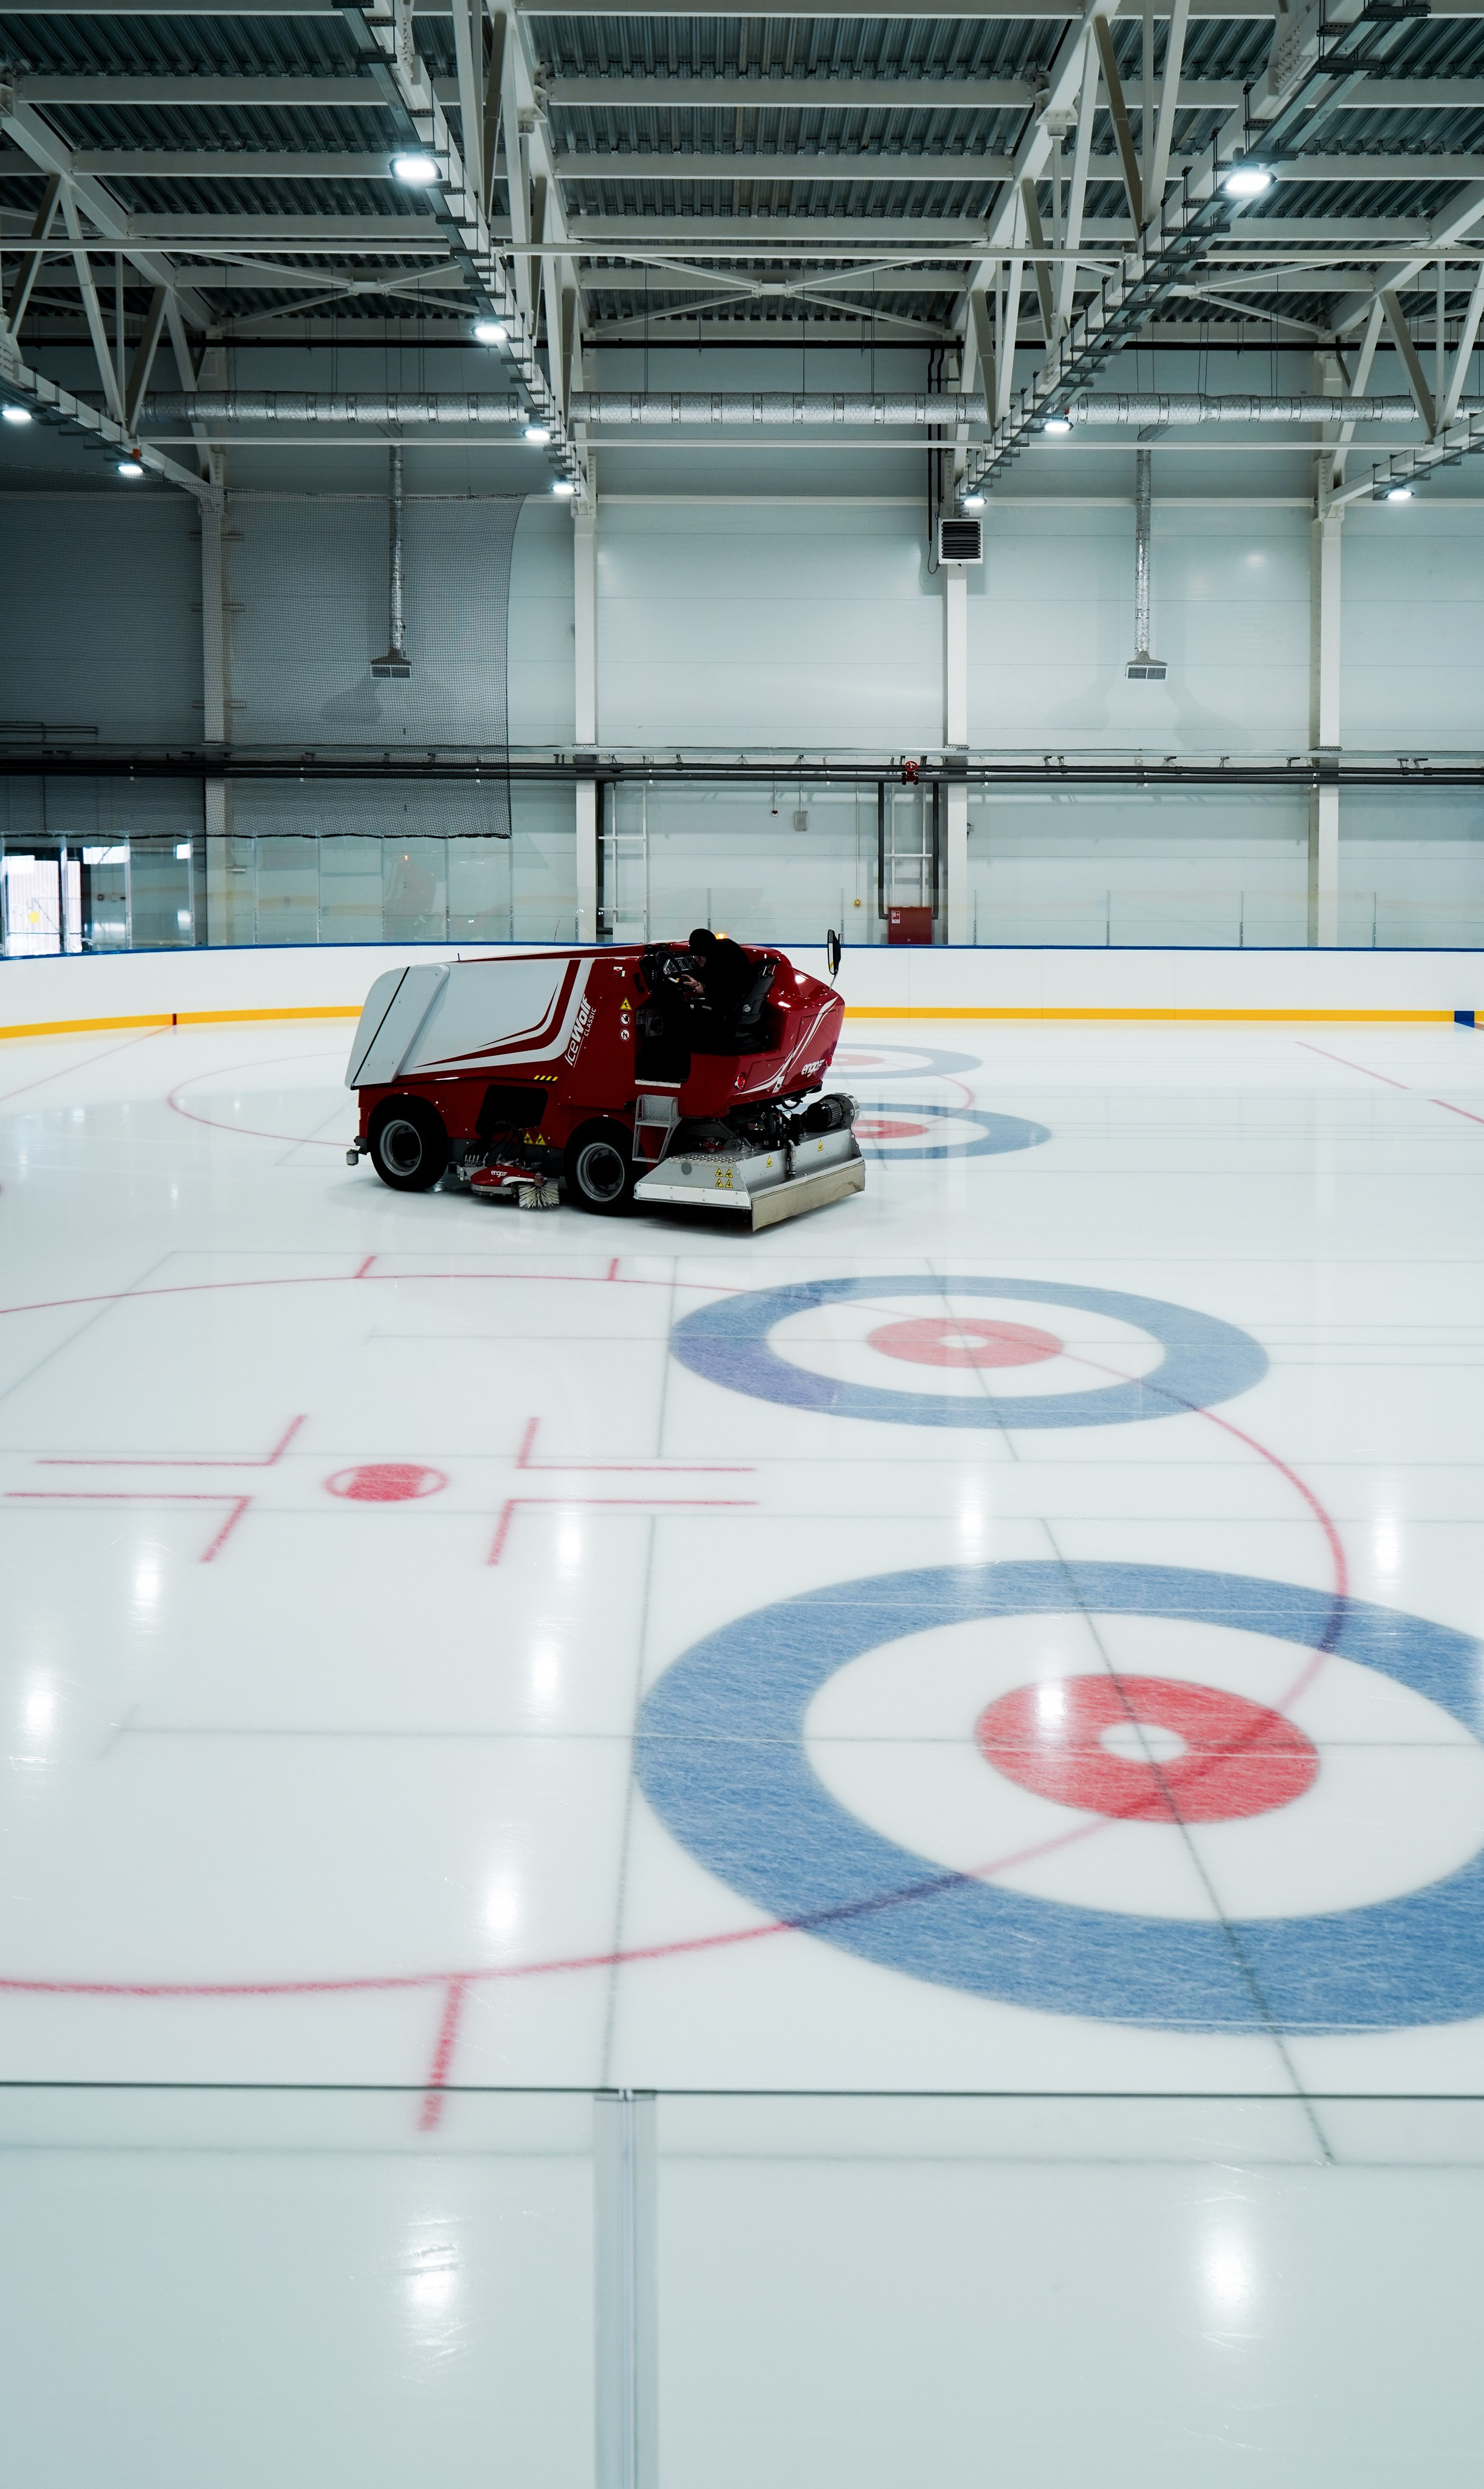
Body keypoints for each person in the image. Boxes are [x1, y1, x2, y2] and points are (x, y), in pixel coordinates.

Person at [687, 927, 757, 1026]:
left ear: (707, 952)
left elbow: (725, 988)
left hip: (729, 1008)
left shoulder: (720, 960)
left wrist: (704, 989)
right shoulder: (727, 947)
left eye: (700, 955)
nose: (698, 959)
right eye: (695, 956)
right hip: (743, 1004)